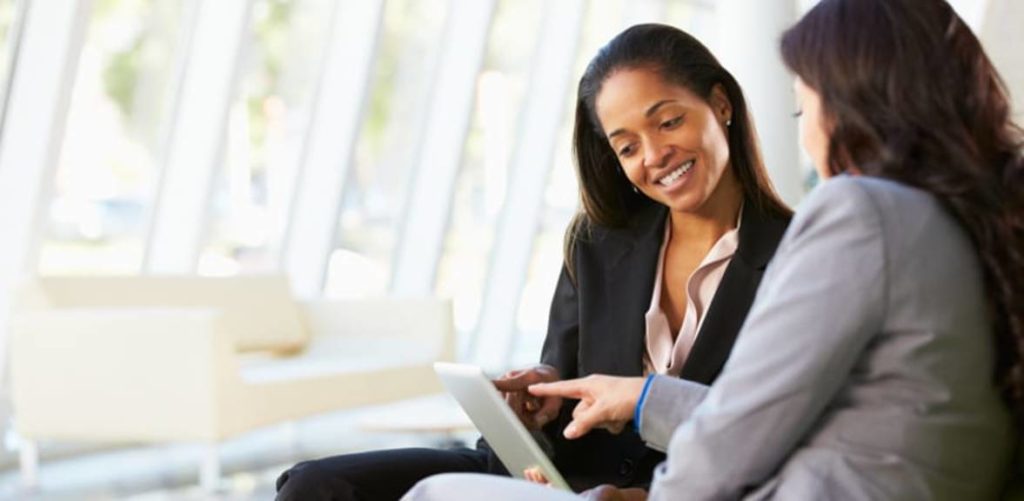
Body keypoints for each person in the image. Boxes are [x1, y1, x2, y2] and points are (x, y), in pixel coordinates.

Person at [402, 0, 1024, 499]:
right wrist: (627, 401)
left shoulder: (862, 216)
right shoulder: (976, 226)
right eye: (625, 146)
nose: (806, 132)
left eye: (803, 106)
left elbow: (748, 426)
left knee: (437, 493)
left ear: (858, 107)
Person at [275, 24, 792, 500]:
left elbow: (781, 435)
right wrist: (537, 399)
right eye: (627, 146)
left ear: (721, 103)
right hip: (555, 479)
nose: (653, 155)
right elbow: (564, 384)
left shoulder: (800, 255)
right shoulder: (598, 242)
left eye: (669, 122)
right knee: (314, 486)